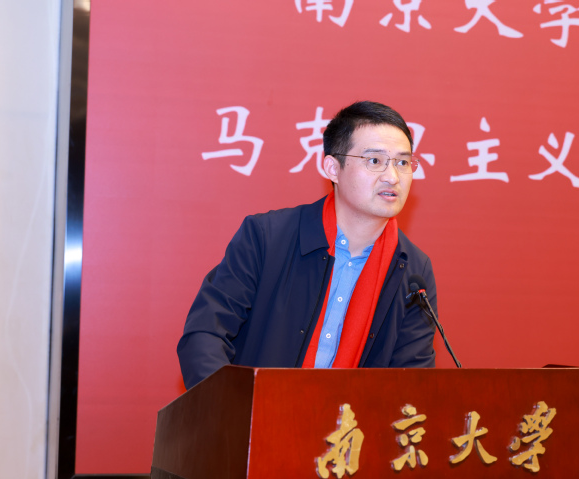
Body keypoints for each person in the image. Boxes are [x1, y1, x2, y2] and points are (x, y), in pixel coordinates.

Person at [177, 100, 438, 389]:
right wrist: (232, 408)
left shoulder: (413, 270)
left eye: (403, 163)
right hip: (251, 412)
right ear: (333, 168)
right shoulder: (267, 237)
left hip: (349, 419)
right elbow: (205, 334)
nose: (393, 177)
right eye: (375, 161)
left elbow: (413, 381)